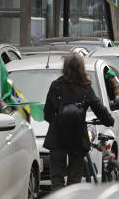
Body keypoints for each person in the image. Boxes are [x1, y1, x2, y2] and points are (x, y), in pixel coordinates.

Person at [43, 52, 115, 190]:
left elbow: (47, 113)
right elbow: (99, 108)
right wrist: (109, 121)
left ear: (65, 68)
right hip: (77, 139)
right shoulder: (86, 88)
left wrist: (58, 122)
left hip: (57, 138)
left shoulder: (56, 86)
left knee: (57, 179)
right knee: (74, 179)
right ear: (82, 68)